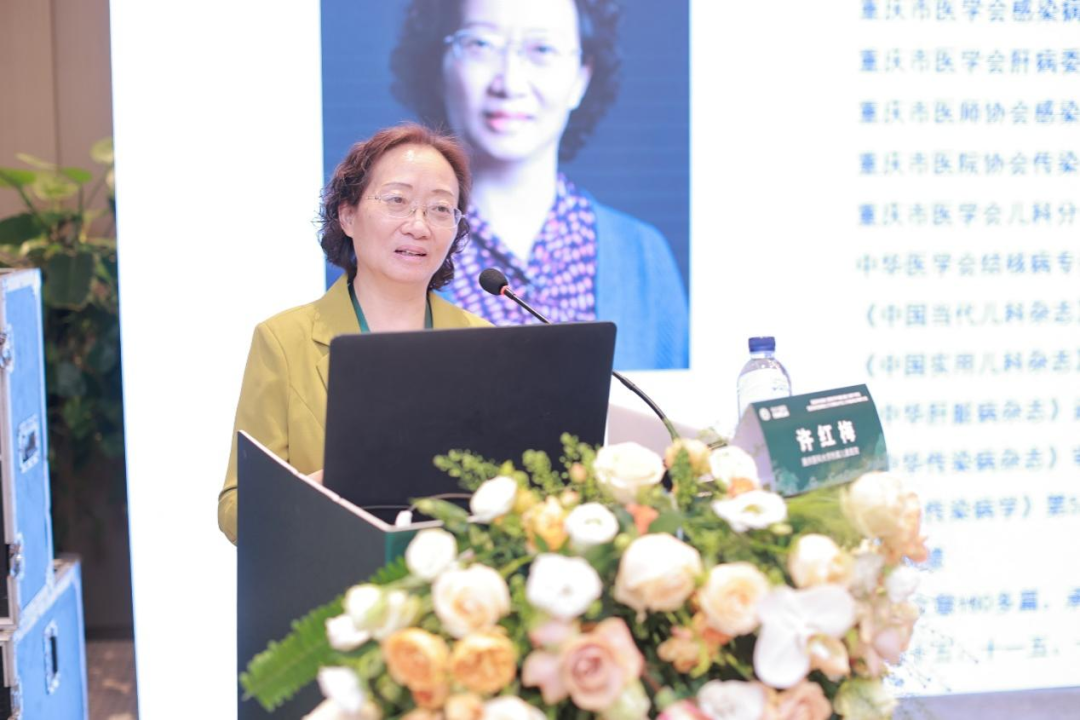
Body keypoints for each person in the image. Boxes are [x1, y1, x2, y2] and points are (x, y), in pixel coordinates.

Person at [217, 124, 490, 544]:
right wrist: (314, 491)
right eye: (397, 201)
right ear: (347, 215)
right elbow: (235, 511)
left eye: (440, 208)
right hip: (333, 575)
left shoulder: (483, 342)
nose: (419, 226)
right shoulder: (283, 341)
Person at [390, 0, 689, 370]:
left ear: (582, 77)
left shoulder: (643, 256)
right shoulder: (391, 245)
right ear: (439, 66)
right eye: (481, 44)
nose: (510, 82)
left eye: (542, 49)